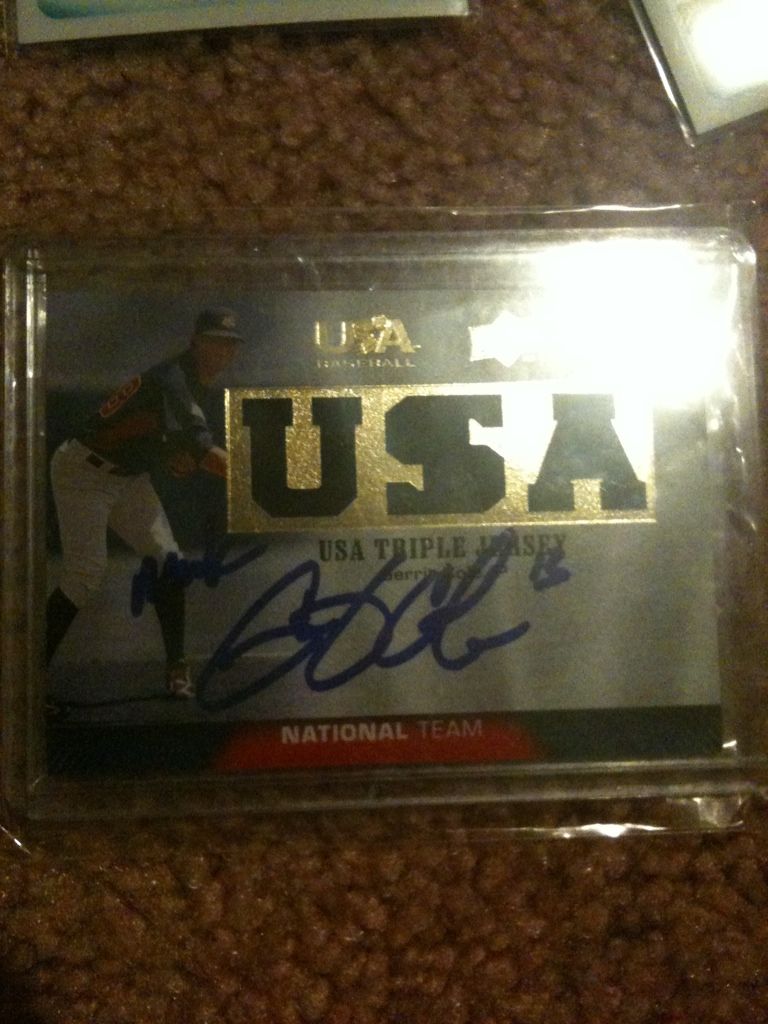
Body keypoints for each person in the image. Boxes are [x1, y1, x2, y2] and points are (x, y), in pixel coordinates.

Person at [46, 307, 243, 699]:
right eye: (214, 342)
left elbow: (160, 438)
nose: (223, 351)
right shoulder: (175, 380)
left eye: (229, 344)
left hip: (127, 477)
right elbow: (205, 453)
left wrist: (174, 455)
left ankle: (177, 669)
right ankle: (27, 682)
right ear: (195, 342)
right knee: (85, 574)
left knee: (169, 560)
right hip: (84, 471)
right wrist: (257, 481)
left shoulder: (193, 382)